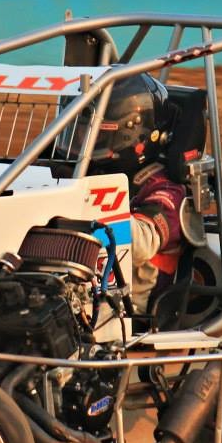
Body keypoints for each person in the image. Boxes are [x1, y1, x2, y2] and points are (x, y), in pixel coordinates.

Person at [66, 73, 188, 315]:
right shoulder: (88, 173)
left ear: (131, 134)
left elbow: (143, 245)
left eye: (93, 134)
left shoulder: (164, 189)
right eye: (78, 132)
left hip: (129, 313)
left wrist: (90, 201)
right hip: (82, 293)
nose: (82, 141)